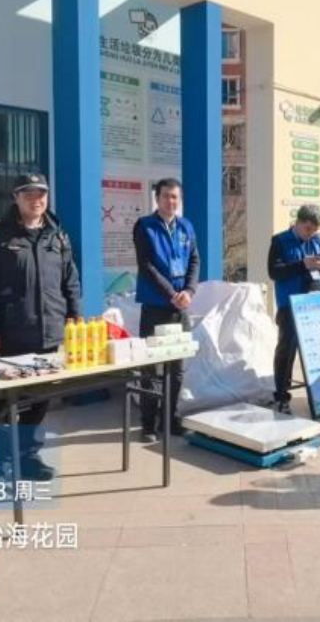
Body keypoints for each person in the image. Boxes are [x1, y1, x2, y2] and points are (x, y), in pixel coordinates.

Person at [0, 173, 81, 480]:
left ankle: (27, 457)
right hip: (9, 334)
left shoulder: (57, 235)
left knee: (38, 400)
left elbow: (70, 280)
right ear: (16, 198)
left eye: (41, 194)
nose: (37, 200)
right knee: (2, 405)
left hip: (48, 333)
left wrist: (74, 316)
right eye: (29, 194)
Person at [133, 178, 199, 442]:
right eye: (166, 196)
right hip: (155, 307)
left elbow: (194, 260)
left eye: (175, 197)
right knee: (151, 369)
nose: (171, 201)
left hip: (180, 307)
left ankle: (169, 420)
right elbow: (146, 266)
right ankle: (148, 425)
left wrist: (189, 291)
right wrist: (171, 294)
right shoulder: (144, 226)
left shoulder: (186, 226)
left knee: (177, 369)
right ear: (157, 198)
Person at [268, 205, 320, 415]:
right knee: (287, 351)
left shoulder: (318, 242)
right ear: (298, 222)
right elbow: (274, 272)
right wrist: (302, 265)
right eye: (307, 228)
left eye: (314, 230)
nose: (310, 233)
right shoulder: (280, 241)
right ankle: (282, 396)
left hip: (316, 306)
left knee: (319, 351)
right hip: (290, 306)